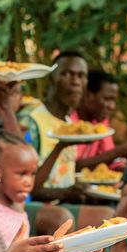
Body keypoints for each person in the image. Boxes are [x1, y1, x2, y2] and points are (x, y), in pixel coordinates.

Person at [23, 50, 88, 200]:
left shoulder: (69, 124)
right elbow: (24, 186)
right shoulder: (31, 121)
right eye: (67, 74)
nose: (76, 82)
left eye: (81, 76)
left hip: (64, 205)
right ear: (51, 80)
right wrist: (64, 194)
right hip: (38, 209)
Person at [73, 70, 127, 169]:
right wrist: (120, 151)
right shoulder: (67, 121)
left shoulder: (100, 121)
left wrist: (122, 168)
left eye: (114, 100)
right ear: (88, 96)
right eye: (107, 99)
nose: (112, 107)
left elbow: (108, 157)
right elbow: (71, 166)